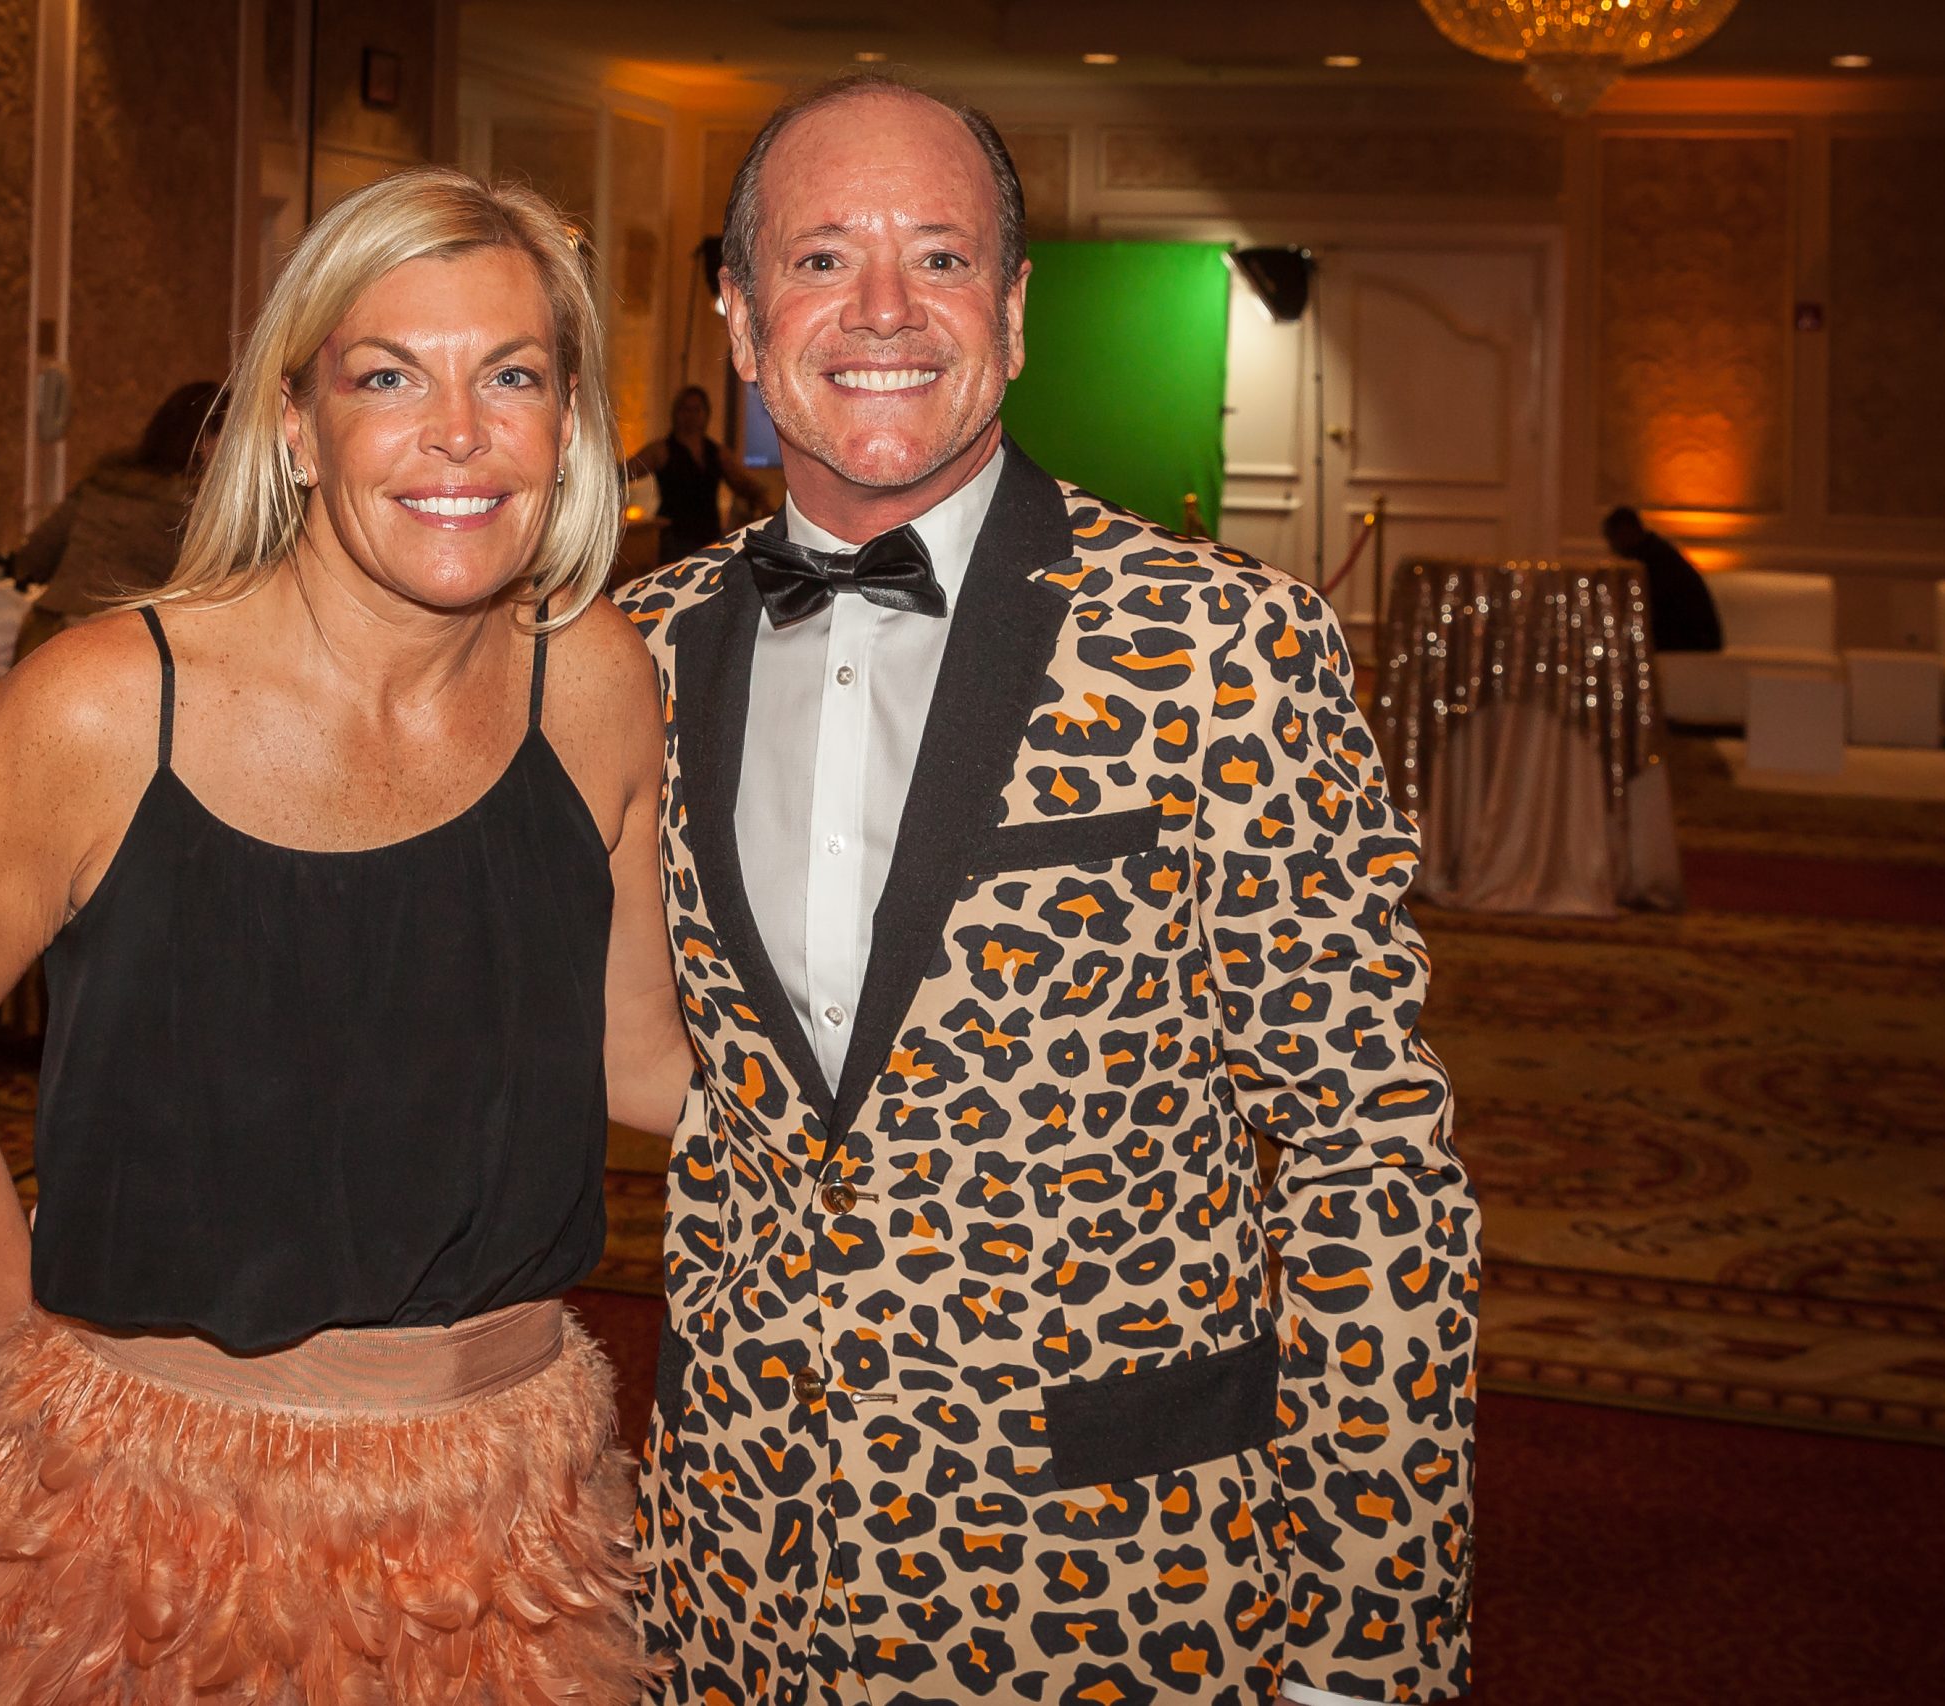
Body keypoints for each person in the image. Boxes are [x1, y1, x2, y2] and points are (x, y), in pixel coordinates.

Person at [614, 75, 1477, 1706]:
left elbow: (1370, 1157)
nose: (883, 308)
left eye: (939, 257)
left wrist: (1368, 1640)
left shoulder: (1223, 645)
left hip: (1110, 1579)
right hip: (731, 1576)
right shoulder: (633, 657)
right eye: (821, 259)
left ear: (1011, 316)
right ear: (739, 315)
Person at [0, 168, 688, 1704]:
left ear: (570, 425)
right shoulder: (103, 704)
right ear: (295, 425)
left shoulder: (592, 677)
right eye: (387, 377)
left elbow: (642, 1060)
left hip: (509, 1506)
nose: (458, 432)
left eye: (512, 376)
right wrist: (36, 1386)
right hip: (141, 1516)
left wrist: (935, 1122)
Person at [8, 381, 226, 662]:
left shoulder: (103, 482)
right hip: (120, 642)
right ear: (205, 439)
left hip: (45, 633)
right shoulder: (199, 505)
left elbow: (32, 559)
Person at [628, 384, 769, 564]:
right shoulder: (662, 450)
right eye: (686, 409)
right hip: (675, 539)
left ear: (706, 413)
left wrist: (763, 503)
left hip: (709, 537)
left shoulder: (716, 452)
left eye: (696, 410)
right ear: (676, 412)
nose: (691, 416)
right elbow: (626, 472)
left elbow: (743, 484)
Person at [1603, 504, 1724, 653]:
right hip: (1697, 643)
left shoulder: (1650, 564)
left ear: (1625, 531)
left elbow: (1651, 613)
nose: (1613, 548)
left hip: (1686, 646)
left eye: (1612, 539)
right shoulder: (1660, 556)